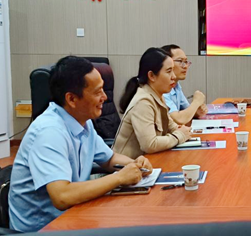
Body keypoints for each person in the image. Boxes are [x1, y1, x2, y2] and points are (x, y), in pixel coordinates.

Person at [9, 56, 152, 232]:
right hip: (42, 229)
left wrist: (135, 164)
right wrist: (119, 178)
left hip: (73, 216)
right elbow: (62, 196)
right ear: (72, 99)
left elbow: (109, 159)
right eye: (97, 92)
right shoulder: (49, 132)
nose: (105, 97)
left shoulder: (83, 121)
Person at [113, 47, 191, 158]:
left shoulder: (158, 95)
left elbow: (173, 127)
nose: (173, 76)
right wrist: (179, 136)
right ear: (152, 76)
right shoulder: (143, 102)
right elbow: (149, 145)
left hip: (149, 161)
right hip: (127, 165)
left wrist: (182, 131)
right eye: (169, 71)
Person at [160, 44, 208, 125]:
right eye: (180, 61)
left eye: (186, 62)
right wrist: (196, 102)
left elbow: (186, 111)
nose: (185, 66)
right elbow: (178, 119)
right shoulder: (162, 88)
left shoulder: (176, 85)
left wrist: (196, 112)